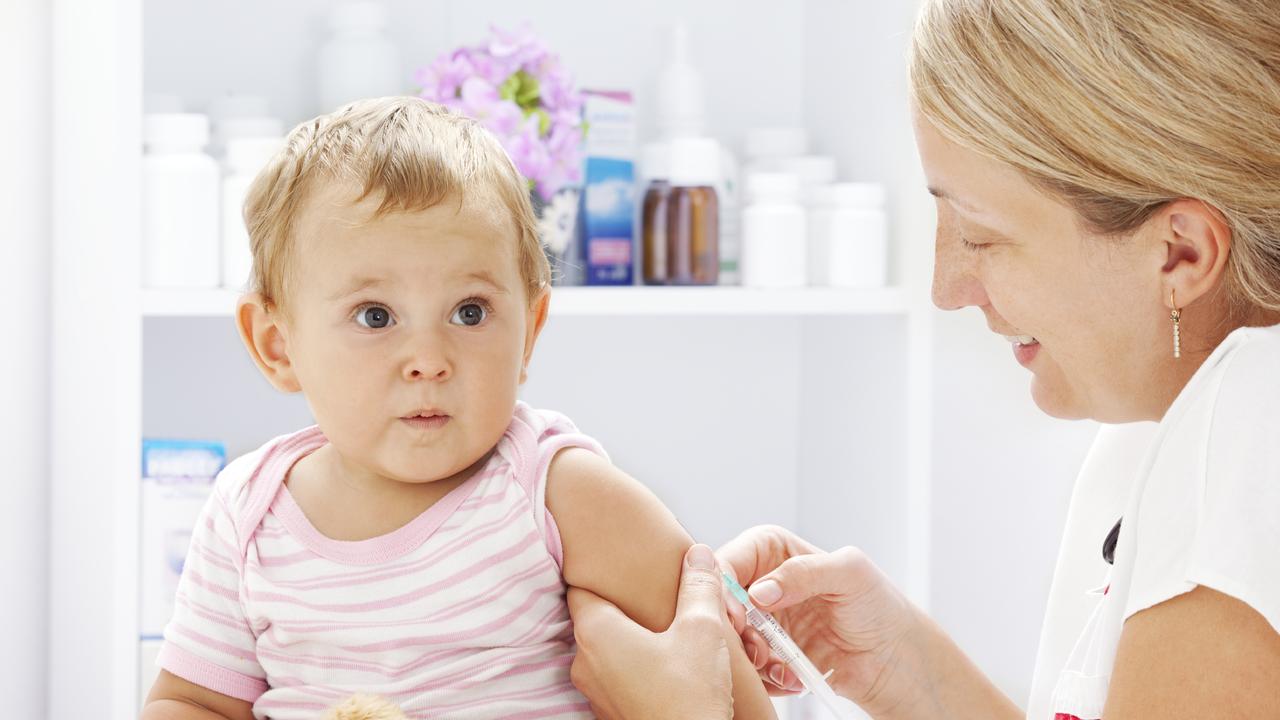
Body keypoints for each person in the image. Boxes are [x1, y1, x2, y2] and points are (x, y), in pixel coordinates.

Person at [569, 0, 1280, 717]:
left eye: (979, 234)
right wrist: (907, 674)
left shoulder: (1247, 423)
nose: (945, 289)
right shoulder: (1166, 425)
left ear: (1181, 252)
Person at [140, 97, 774, 719]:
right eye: (375, 316)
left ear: (530, 329)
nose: (429, 359)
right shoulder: (247, 514)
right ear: (277, 345)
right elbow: (191, 702)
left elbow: (714, 682)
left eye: (470, 312)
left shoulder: (559, 494)